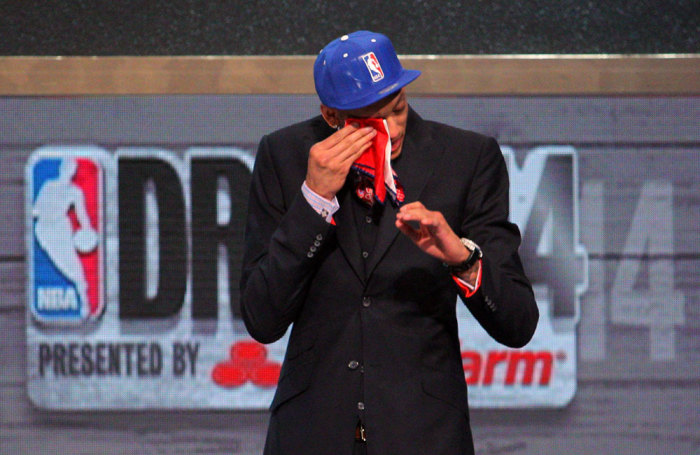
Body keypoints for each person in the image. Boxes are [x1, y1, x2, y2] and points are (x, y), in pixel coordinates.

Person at [240, 30, 539, 455]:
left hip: (426, 433)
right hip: (311, 433)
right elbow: (262, 318)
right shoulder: (285, 156)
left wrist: (460, 258)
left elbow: (518, 323)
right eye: (369, 119)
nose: (391, 128)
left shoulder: (467, 158)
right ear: (331, 116)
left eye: (397, 108)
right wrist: (313, 200)